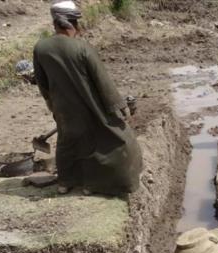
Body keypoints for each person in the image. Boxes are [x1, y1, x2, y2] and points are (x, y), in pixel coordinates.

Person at [33, 1, 142, 195]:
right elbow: (103, 82)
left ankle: (65, 182)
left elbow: (42, 83)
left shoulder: (41, 48)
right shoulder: (82, 48)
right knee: (117, 140)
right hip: (90, 106)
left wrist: (53, 105)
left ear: (55, 23)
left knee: (67, 142)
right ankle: (93, 185)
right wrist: (119, 106)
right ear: (73, 24)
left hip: (63, 108)